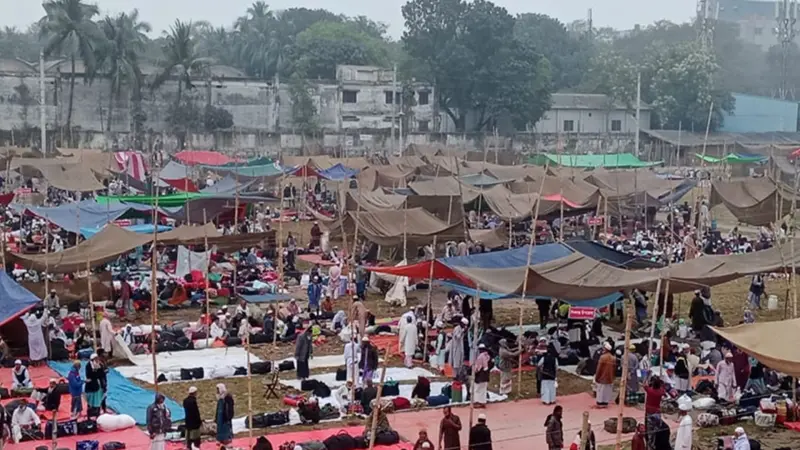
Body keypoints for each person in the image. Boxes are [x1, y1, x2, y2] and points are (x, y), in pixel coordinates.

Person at [594, 342, 616, 408]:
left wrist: (597, 377)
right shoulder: (613, 358)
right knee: (607, 391)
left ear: (605, 349)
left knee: (601, 391)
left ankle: (600, 402)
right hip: (610, 377)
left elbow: (599, 368)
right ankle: (605, 402)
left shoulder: (602, 357)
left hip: (602, 377)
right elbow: (614, 369)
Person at [85, 353, 104, 418]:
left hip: (98, 385)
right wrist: (95, 371)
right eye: (95, 359)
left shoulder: (100, 365)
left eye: (97, 358)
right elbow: (89, 375)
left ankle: (97, 411)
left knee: (97, 399)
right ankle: (91, 413)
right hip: (91, 386)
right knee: (91, 400)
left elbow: (101, 374)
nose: (97, 360)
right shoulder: (88, 366)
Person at [473, 344, 492, 408]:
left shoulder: (480, 357)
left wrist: (474, 371)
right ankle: (483, 402)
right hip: (486, 375)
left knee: (477, 389)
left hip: (480, 376)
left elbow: (477, 368)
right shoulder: (488, 356)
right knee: (483, 389)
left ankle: (477, 402)